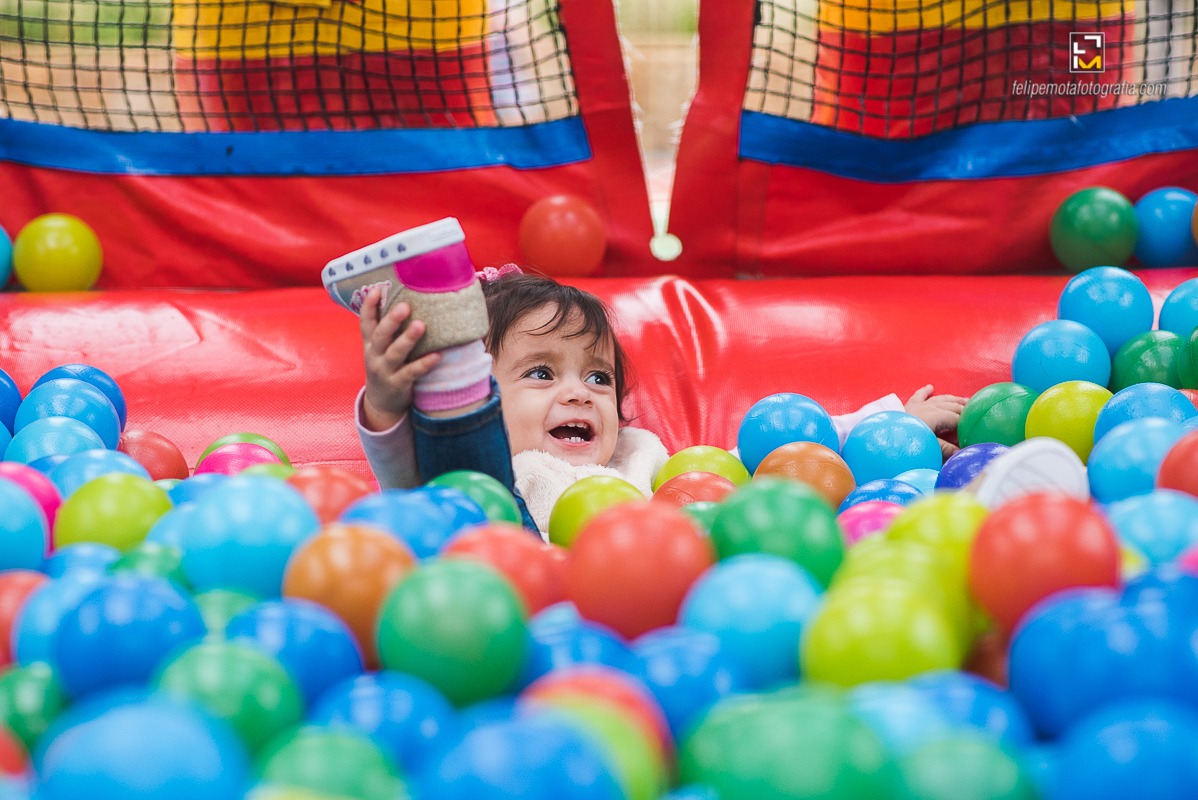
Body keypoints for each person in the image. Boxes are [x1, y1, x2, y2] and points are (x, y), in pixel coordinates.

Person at [354, 261, 966, 537]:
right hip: (528, 589)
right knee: (467, 483)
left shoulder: (641, 462)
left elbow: (765, 458)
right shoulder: (490, 475)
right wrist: (387, 401)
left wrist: (888, 424)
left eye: (599, 379)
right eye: (541, 373)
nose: (579, 393)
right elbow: (407, 482)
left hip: (666, 597)